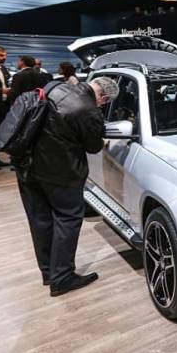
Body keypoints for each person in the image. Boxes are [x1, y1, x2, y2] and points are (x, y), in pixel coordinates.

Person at [18, 76, 118, 296]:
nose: (102, 105)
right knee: (68, 219)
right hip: (60, 172)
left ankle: (48, 272)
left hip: (27, 165)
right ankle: (62, 278)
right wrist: (100, 139)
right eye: (104, 103)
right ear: (103, 97)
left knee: (40, 220)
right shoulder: (89, 110)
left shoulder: (55, 87)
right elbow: (92, 147)